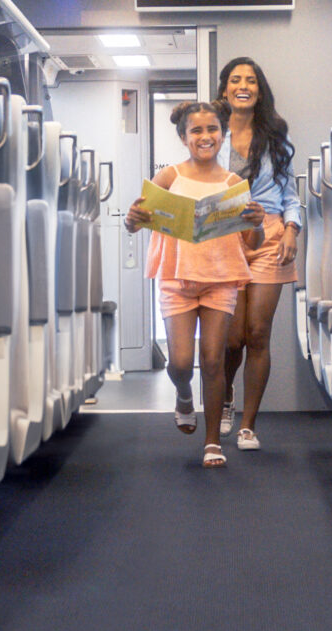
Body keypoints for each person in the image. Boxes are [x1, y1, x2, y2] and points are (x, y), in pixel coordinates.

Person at [124, 99, 258, 467]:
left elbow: (252, 243)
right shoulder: (170, 177)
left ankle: (211, 442)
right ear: (184, 137)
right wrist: (132, 218)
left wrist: (257, 223)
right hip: (176, 277)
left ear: (223, 134)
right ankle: (183, 394)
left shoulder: (234, 184)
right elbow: (136, 222)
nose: (205, 136)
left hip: (220, 278)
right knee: (182, 362)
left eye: (212, 129)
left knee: (213, 361)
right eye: (196, 130)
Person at [213, 57, 300, 450]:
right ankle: (226, 397)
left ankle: (249, 424)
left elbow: (291, 196)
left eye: (250, 80)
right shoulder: (211, 134)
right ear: (225, 89)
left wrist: (292, 231)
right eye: (235, 80)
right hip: (224, 238)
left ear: (259, 91)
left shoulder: (275, 138)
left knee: (258, 334)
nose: (243, 85)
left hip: (269, 236)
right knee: (232, 341)